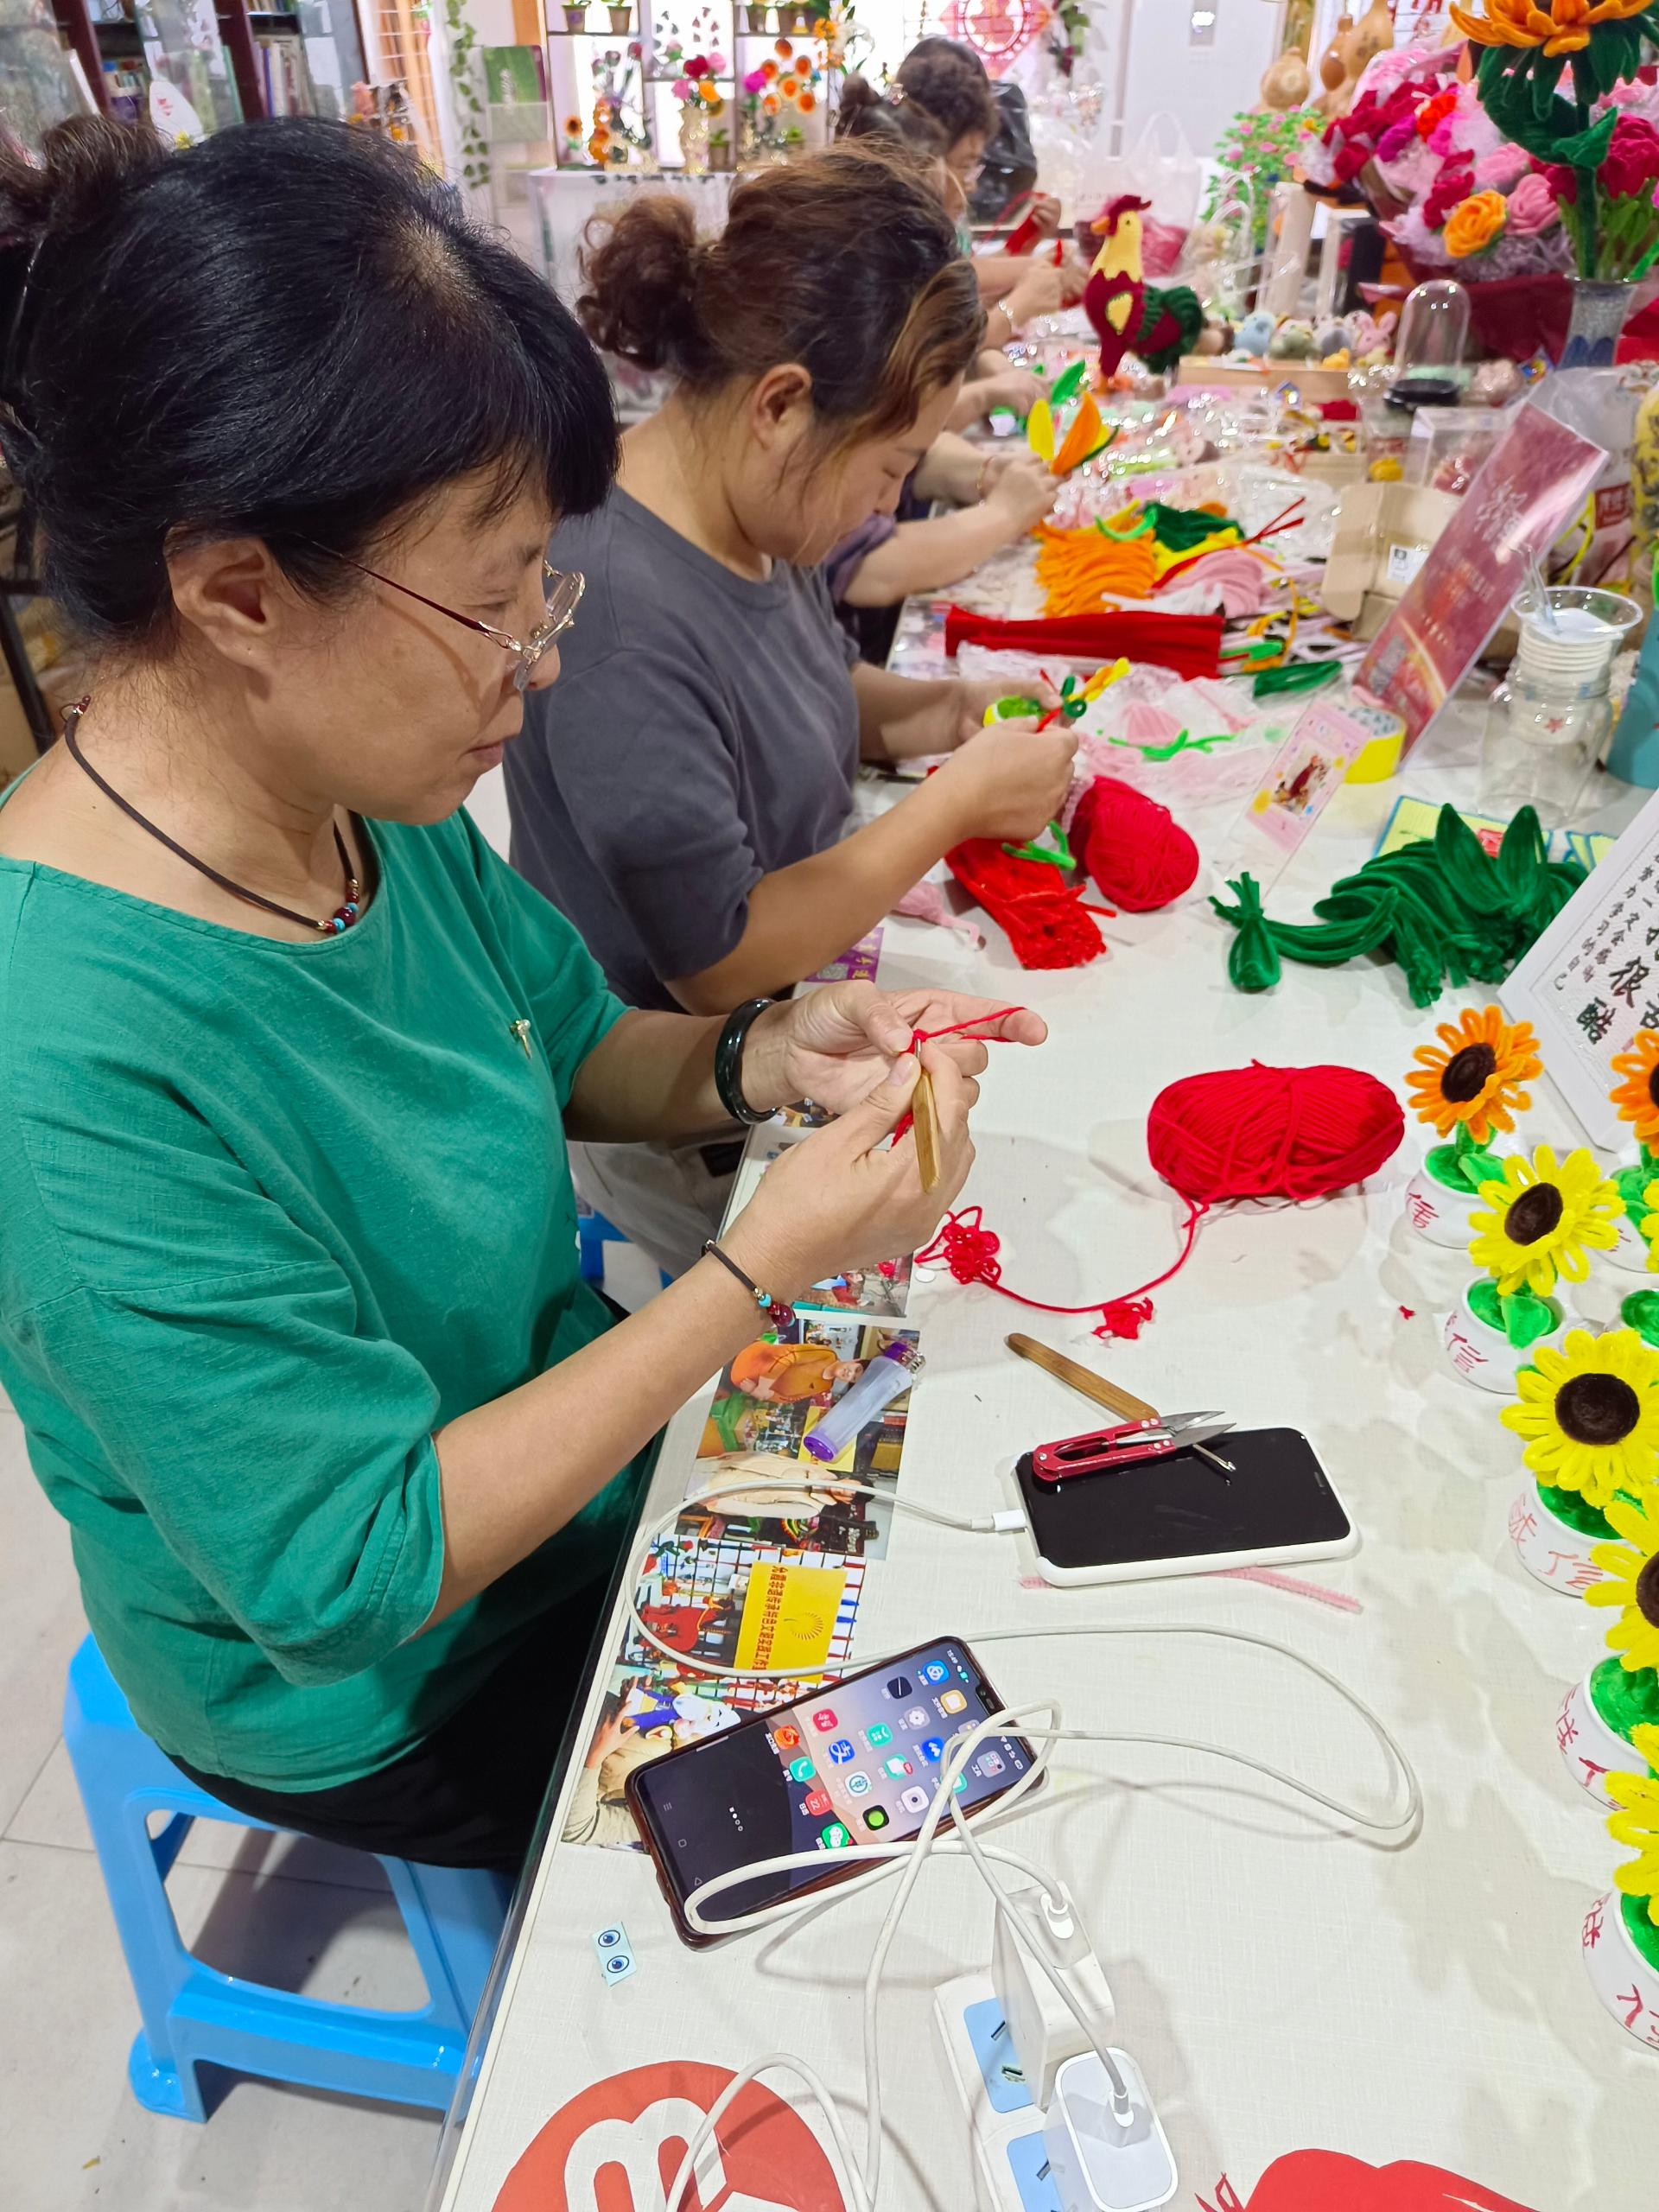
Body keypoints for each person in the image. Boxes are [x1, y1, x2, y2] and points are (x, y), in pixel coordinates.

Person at [0, 116, 1046, 1874]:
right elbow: (351, 1566)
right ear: (239, 591)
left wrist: (765, 1050)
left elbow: (574, 1042)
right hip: (396, 1673)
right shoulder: (60, 1047)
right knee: (917, 1818)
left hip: (558, 1481)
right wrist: (753, 1270)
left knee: (976, 1549)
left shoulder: (351, 795)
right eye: (498, 607)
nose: (540, 663)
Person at [505, 146, 1074, 1279]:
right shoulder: (617, 607)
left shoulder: (753, 520)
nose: (888, 503)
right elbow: (719, 961)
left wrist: (944, 712)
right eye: (888, 468)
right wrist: (952, 808)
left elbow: (808, 688)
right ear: (780, 406)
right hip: (684, 1105)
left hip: (796, 1018)